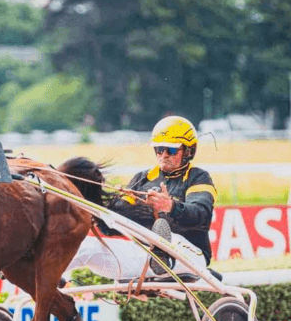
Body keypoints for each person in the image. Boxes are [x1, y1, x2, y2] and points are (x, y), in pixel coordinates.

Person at [65, 115, 217, 281]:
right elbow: (113, 227)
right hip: (143, 255)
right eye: (159, 149)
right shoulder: (142, 179)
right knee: (85, 247)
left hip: (190, 257)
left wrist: (171, 206)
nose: (164, 155)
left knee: (162, 236)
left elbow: (201, 215)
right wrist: (98, 213)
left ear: (188, 151)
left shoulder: (198, 177)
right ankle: (49, 276)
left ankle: (161, 255)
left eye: (171, 150)